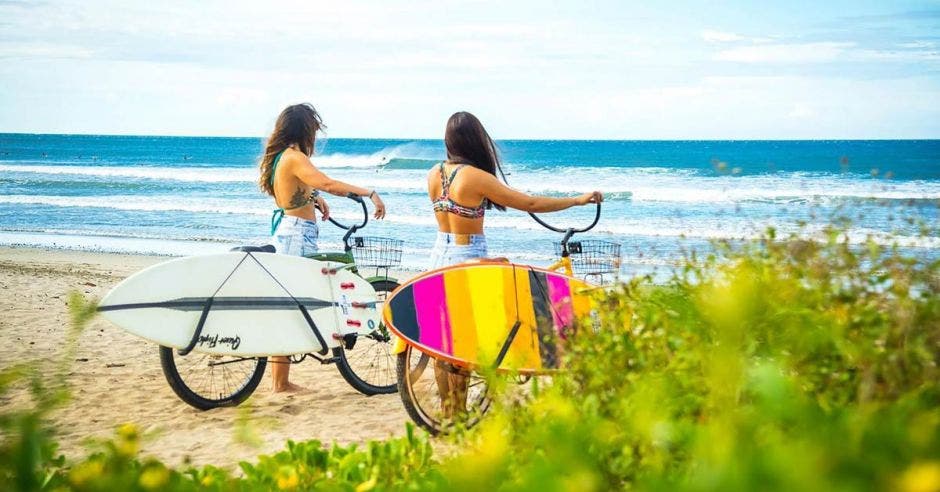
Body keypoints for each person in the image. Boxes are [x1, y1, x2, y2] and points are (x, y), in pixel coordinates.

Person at [427, 111, 602, 416]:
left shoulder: (434, 174)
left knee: (447, 343)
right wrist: (577, 200)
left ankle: (450, 411)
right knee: (474, 339)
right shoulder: (475, 177)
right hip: (468, 259)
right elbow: (530, 204)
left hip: (438, 257)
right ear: (474, 139)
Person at [259, 103, 387, 392]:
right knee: (295, 304)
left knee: (294, 304)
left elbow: (297, 191)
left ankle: (284, 378)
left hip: (291, 231)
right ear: (304, 130)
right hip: (297, 235)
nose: (315, 137)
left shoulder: (283, 157)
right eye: (313, 130)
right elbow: (328, 182)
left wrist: (312, 198)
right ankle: (282, 382)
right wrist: (369, 192)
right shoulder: (294, 157)